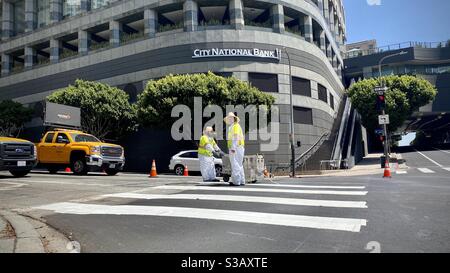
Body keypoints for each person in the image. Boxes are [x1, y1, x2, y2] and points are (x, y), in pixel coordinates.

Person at [224, 112, 245, 186]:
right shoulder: (233, 126)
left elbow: (235, 137)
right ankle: (241, 180)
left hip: (235, 147)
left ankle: (236, 181)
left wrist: (233, 147)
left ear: (234, 118)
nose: (229, 119)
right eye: (228, 118)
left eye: (231, 118)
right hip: (239, 147)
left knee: (235, 164)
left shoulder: (235, 126)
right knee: (239, 164)